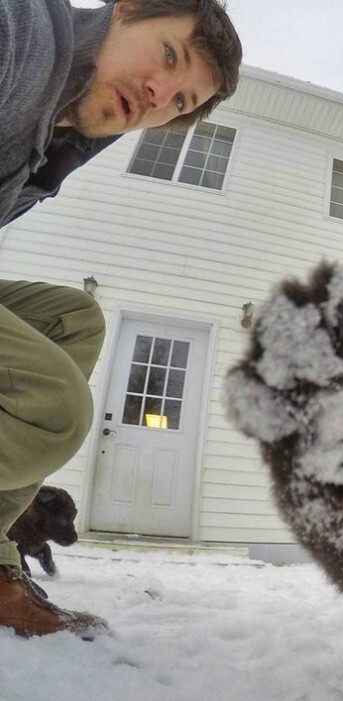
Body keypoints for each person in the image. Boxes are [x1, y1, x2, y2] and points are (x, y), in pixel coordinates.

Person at [0, 0, 242, 638]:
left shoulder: (68, 135)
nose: (161, 95)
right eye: (169, 55)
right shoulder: (23, 37)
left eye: (182, 104)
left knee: (72, 320)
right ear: (127, 8)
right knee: (56, 404)